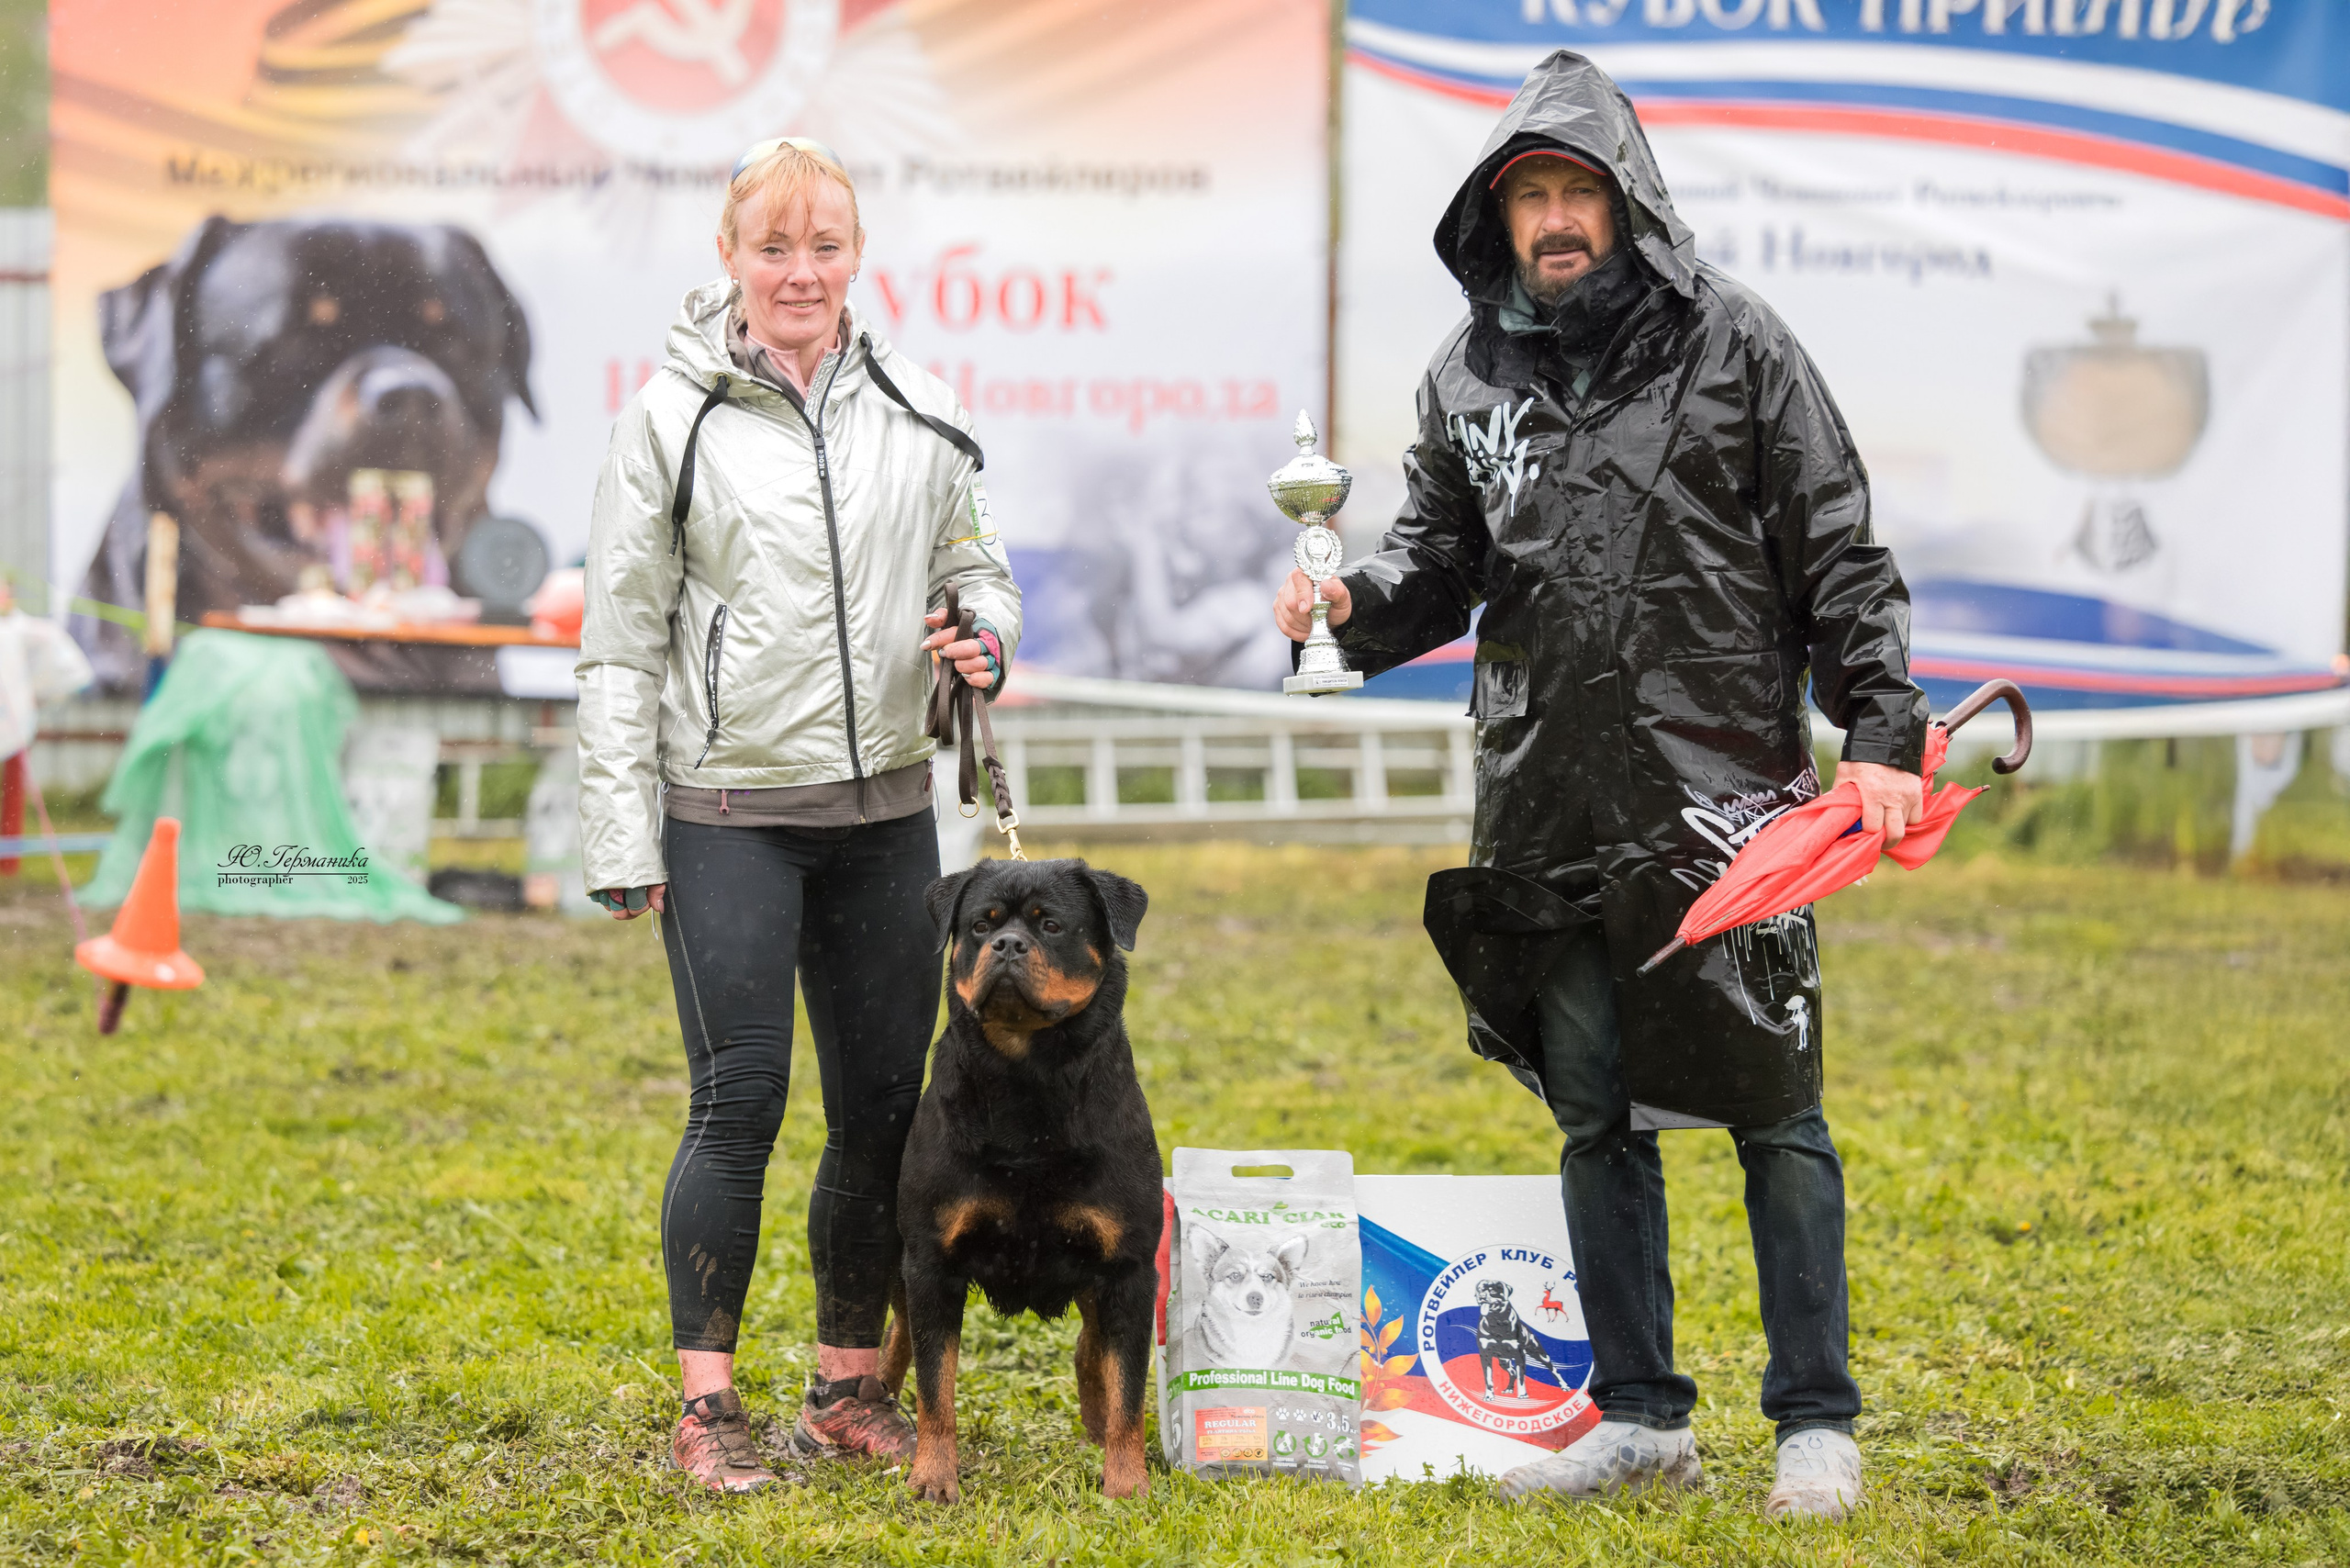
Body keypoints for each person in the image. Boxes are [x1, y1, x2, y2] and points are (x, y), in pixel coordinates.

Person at [1273, 53, 1928, 1520]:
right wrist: (1345, 614)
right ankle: (1641, 1416)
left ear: (1628, 203)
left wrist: (1881, 731)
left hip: (1731, 805)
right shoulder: (1465, 374)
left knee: (1777, 1110)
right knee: (1594, 1112)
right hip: (1544, 800)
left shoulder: (1739, 343)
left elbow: (1836, 547)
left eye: (1577, 190)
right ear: (1495, 221)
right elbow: (1439, 567)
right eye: (1530, 198)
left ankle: (1815, 1425)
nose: (1555, 220)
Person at [576, 138, 1019, 1494]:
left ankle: (844, 1386)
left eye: (824, 245)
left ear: (856, 259)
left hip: (885, 811)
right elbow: (619, 638)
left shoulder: (919, 406)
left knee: (883, 1107)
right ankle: (710, 1411)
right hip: (725, 815)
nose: (801, 271)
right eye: (774, 246)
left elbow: (973, 561)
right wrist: (617, 835)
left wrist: (984, 636)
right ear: (732, 260)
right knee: (741, 1099)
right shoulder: (668, 419)